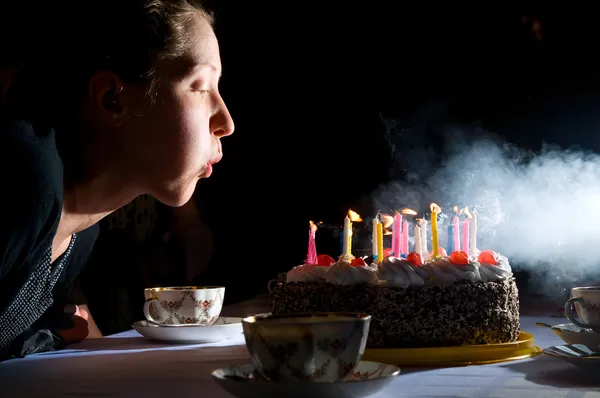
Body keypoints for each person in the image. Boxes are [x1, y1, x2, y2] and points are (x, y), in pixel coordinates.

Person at [0, 0, 234, 360]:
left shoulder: (79, 235)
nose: (226, 122)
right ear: (113, 100)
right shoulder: (23, 182)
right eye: (201, 87)